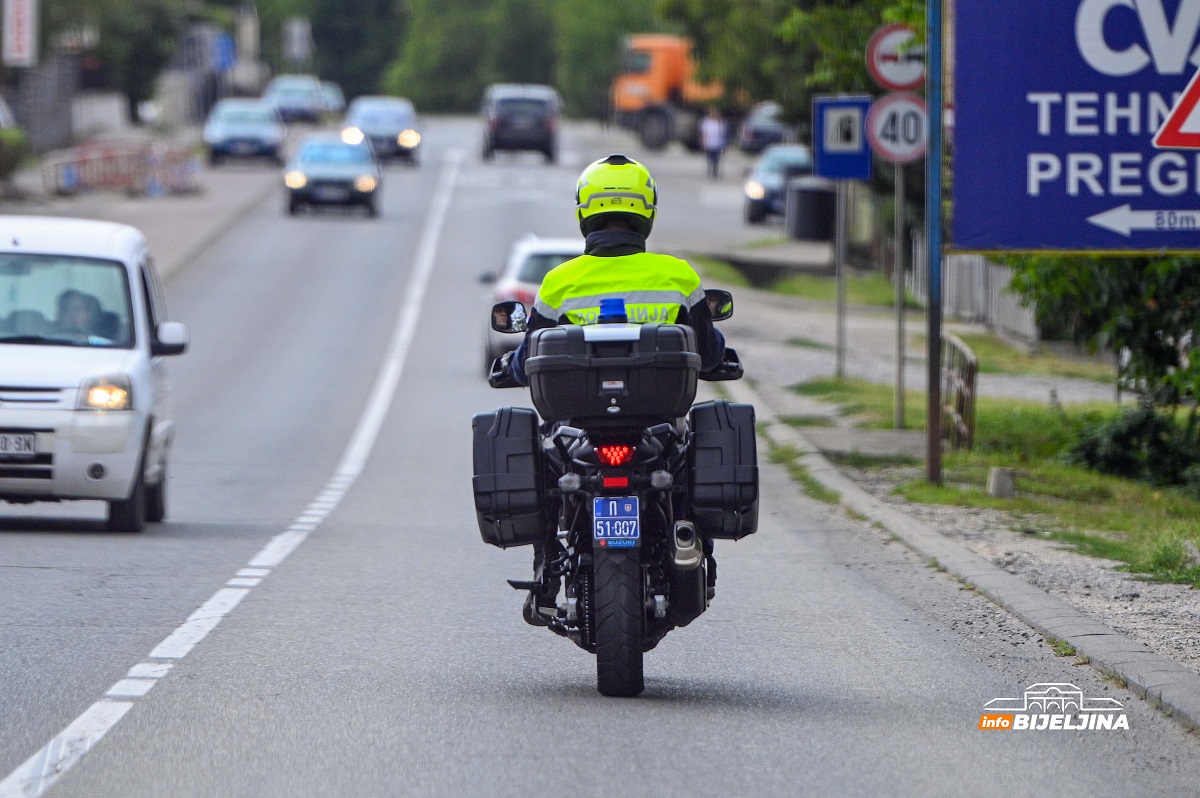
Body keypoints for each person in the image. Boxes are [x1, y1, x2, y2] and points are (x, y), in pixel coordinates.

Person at [506, 153, 727, 625]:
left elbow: (528, 358)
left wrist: (511, 365)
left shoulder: (559, 283)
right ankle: (691, 545)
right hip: (657, 427)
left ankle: (546, 575)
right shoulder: (677, 277)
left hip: (579, 431)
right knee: (693, 462)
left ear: (584, 210)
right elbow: (708, 353)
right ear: (647, 210)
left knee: (544, 472)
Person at [700, 107, 727, 179]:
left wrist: (723, 142)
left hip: (718, 143)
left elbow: (723, 132)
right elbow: (704, 132)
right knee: (709, 157)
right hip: (709, 142)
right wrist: (703, 141)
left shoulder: (720, 122)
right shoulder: (706, 122)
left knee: (716, 158)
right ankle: (710, 168)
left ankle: (715, 170)